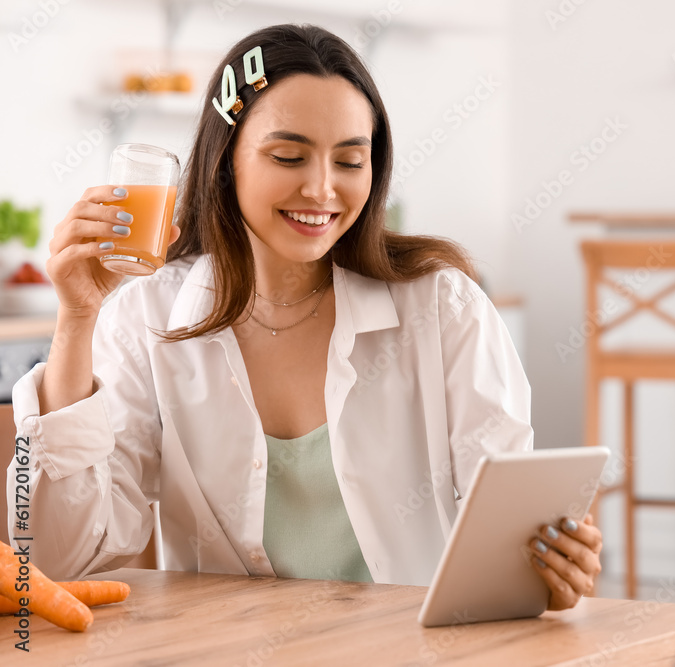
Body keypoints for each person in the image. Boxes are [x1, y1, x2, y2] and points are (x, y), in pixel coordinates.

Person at [7, 24, 601, 611]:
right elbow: (63, 560)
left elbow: (511, 537)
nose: (321, 189)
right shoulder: (149, 316)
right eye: (288, 155)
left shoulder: (443, 308)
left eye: (349, 162)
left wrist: (552, 568)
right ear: (224, 162)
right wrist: (77, 319)